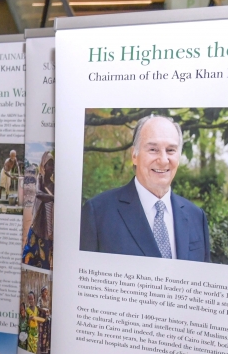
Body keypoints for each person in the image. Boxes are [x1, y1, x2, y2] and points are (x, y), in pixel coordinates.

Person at [81, 114, 210, 261]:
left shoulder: (196, 216)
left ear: (179, 157)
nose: (163, 160)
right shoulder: (98, 213)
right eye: (153, 149)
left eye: (170, 150)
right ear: (134, 155)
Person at [23, 150, 54, 268]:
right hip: (36, 226)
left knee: (44, 261)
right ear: (43, 165)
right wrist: (53, 197)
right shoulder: (39, 180)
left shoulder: (54, 186)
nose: (52, 167)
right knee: (28, 258)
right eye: (49, 164)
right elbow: (38, 194)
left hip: (48, 230)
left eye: (53, 165)